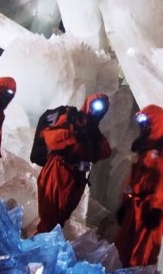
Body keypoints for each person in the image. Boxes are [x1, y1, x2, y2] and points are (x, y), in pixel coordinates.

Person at [114, 104, 163, 267]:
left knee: (142, 255)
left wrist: (157, 208)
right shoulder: (144, 149)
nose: (143, 127)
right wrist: (125, 202)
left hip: (152, 210)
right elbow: (133, 178)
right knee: (124, 249)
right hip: (135, 206)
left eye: (146, 122)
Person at [35, 93, 111, 234]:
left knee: (60, 219)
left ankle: (45, 246)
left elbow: (105, 152)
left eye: (102, 109)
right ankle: (38, 249)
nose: (97, 111)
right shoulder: (71, 118)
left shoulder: (95, 132)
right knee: (49, 217)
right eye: (96, 106)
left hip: (77, 178)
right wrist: (73, 134)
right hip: (58, 171)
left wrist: (92, 137)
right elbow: (51, 138)